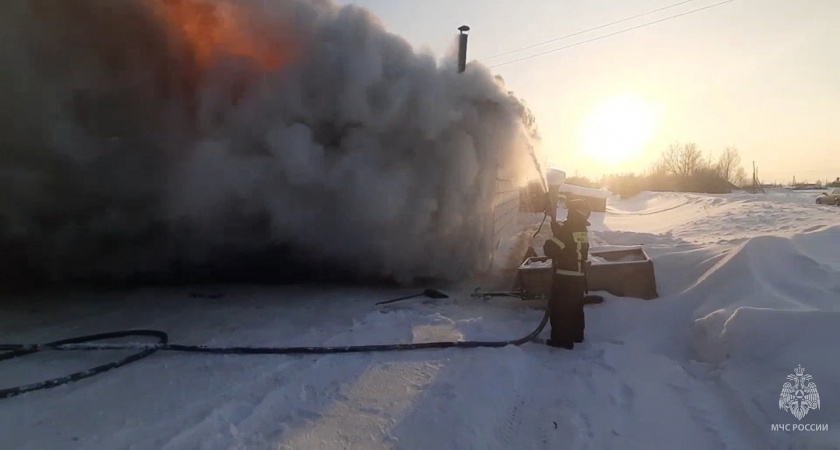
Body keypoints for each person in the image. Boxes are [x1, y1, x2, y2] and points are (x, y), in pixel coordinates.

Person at [542, 198, 591, 349]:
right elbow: (572, 246)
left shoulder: (569, 228)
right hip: (578, 276)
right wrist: (559, 231)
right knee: (575, 307)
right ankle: (576, 335)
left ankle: (562, 340)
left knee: (560, 308)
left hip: (565, 276)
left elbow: (551, 249)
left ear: (573, 211)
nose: (568, 213)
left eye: (569, 210)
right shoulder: (581, 227)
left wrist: (553, 237)